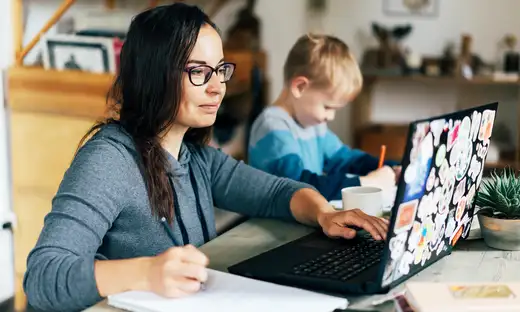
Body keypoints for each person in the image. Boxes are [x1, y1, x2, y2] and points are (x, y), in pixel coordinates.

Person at [22, 4, 389, 312]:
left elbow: (275, 192)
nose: (217, 87)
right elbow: (42, 277)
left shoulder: (195, 156)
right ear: (155, 76)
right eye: (199, 72)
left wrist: (324, 212)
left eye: (219, 70)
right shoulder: (108, 160)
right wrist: (146, 272)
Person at [248, 34, 401, 201]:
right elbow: (300, 186)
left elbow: (345, 160)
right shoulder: (273, 127)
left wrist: (391, 168)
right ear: (300, 87)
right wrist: (365, 183)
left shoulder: (312, 124)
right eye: (327, 107)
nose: (331, 116)